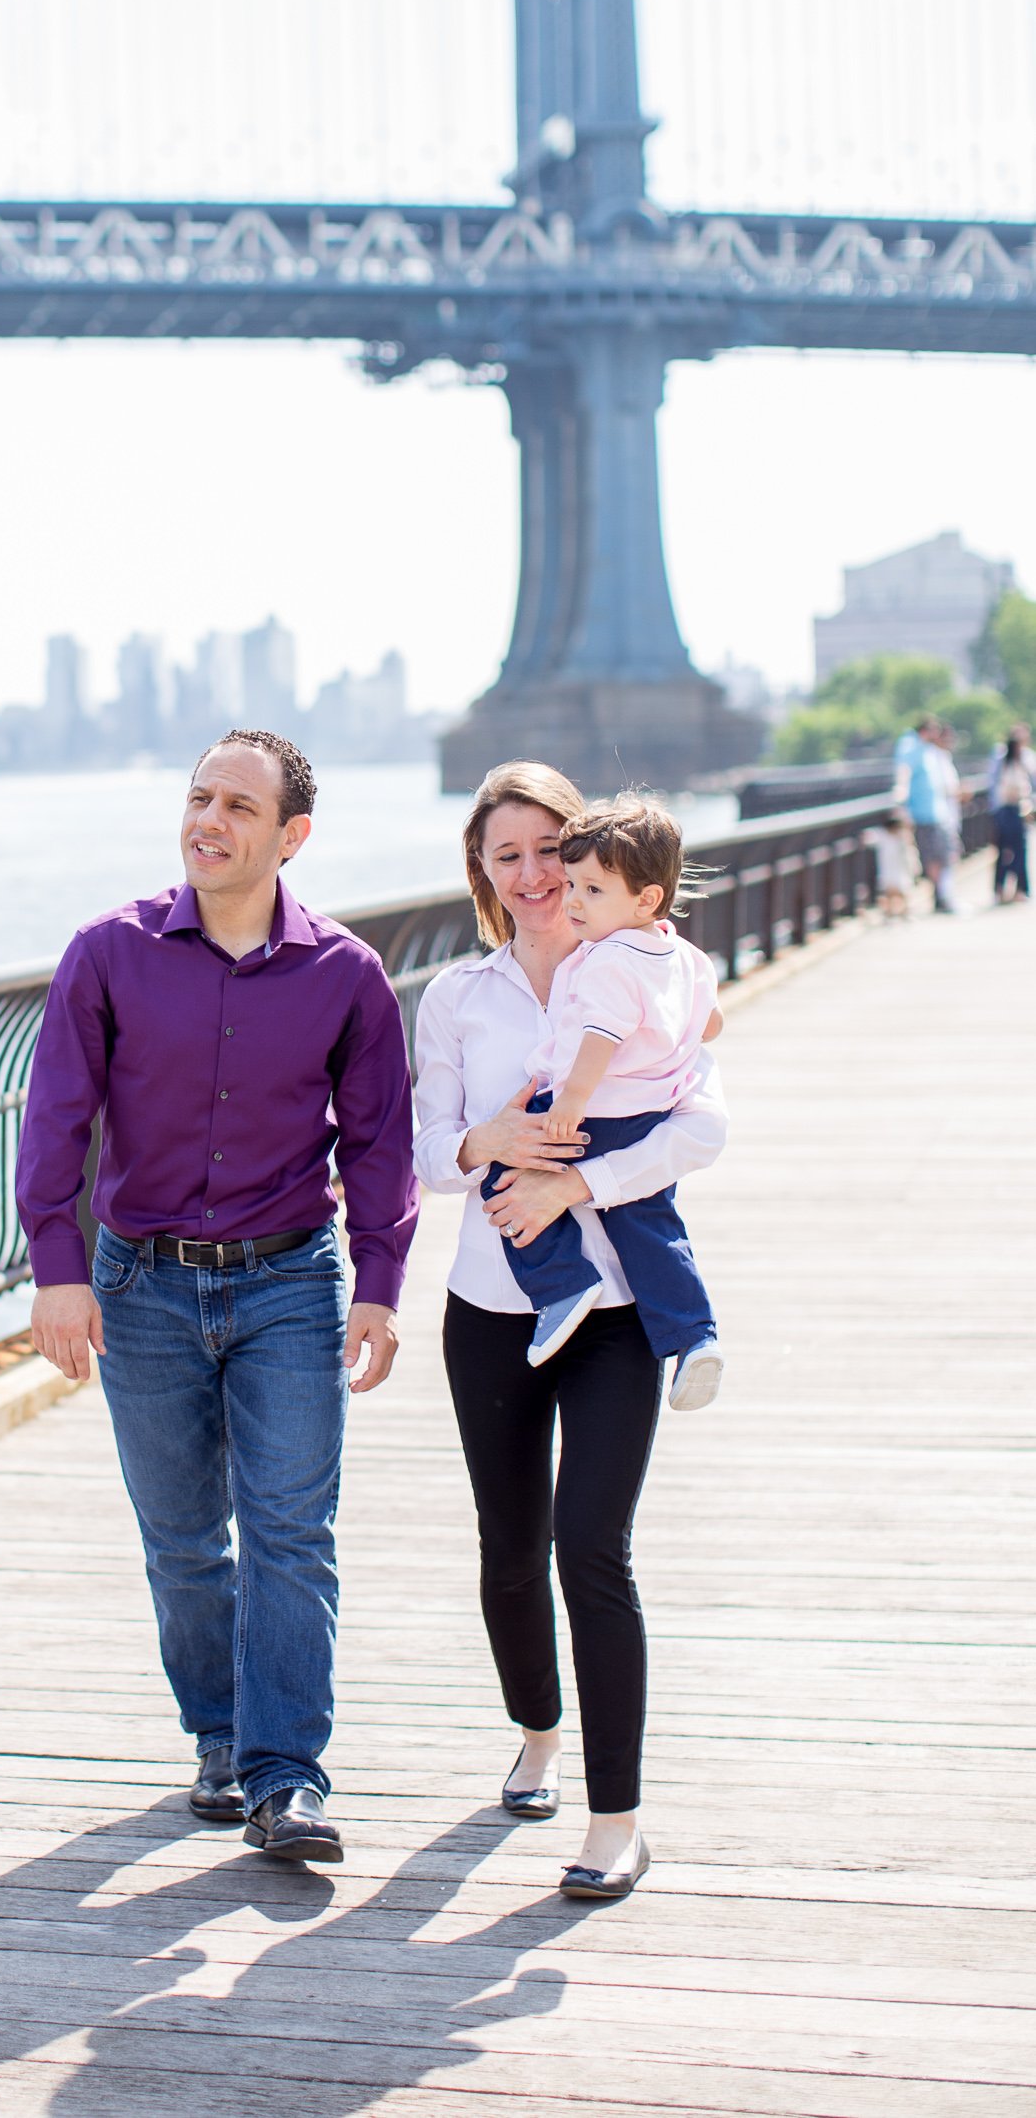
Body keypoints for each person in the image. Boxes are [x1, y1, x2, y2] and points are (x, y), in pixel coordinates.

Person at [17, 728, 418, 1866]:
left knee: (291, 1531)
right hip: (140, 1283)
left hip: (291, 1279)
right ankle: (221, 1732)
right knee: (184, 1538)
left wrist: (377, 1285)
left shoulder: (345, 975)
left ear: (290, 836)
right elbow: (56, 1117)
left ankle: (285, 1776)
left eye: (238, 805)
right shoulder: (107, 953)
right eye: (198, 796)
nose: (209, 820)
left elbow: (379, 1140)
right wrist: (57, 1265)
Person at [412, 760, 729, 1904]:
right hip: (492, 1311)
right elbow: (425, 1155)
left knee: (594, 1545)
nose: (536, 873)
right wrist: (490, 1139)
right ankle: (534, 1733)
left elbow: (703, 1127)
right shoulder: (457, 997)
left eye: (553, 849)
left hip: (612, 1315)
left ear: (594, 858)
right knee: (512, 1546)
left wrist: (575, 1191)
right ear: (484, 875)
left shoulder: (651, 970)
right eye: (509, 856)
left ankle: (616, 1818)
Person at [480, 795, 725, 1414]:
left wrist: (567, 1104)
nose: (573, 901)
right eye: (576, 886)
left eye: (590, 890)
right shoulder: (684, 956)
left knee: (504, 1181)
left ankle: (564, 1287)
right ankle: (694, 1335)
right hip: (650, 1111)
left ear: (645, 900)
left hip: (595, 1110)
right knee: (651, 1227)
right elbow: (711, 1023)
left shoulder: (608, 959)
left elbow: (599, 1040)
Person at [903, 716, 962, 913]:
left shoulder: (931, 753)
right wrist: (904, 810)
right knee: (934, 857)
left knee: (945, 855)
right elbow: (902, 781)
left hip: (939, 814)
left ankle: (942, 895)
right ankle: (939, 896)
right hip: (924, 815)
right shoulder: (912, 750)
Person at [988, 726, 1031, 904]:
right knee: (1006, 851)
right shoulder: (1001, 758)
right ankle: (1001, 889)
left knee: (1019, 851)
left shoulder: (1027, 758)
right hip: (1006, 810)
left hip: (1017, 810)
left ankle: (1018, 889)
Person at [865, 809, 916, 917]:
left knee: (901, 890)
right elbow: (868, 838)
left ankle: (903, 911)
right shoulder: (883, 835)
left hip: (899, 869)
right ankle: (890, 912)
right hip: (889, 869)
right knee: (889, 892)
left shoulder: (902, 837)